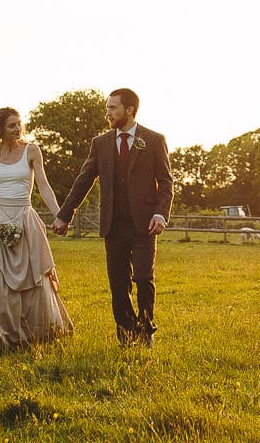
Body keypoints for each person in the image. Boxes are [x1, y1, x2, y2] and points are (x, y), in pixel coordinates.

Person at [52, 88, 173, 347]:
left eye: (112, 108)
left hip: (144, 225)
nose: (107, 113)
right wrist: (65, 214)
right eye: (107, 108)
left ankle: (146, 329)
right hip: (113, 225)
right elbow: (84, 180)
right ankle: (126, 334)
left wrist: (160, 214)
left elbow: (166, 183)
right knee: (118, 286)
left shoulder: (153, 140)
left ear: (129, 110)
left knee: (142, 277)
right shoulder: (101, 143)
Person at [0, 107, 73, 352]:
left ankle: (26, 331)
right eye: (12, 125)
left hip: (23, 218)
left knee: (27, 282)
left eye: (19, 124)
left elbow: (44, 186)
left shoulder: (32, 151)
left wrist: (60, 216)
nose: (18, 129)